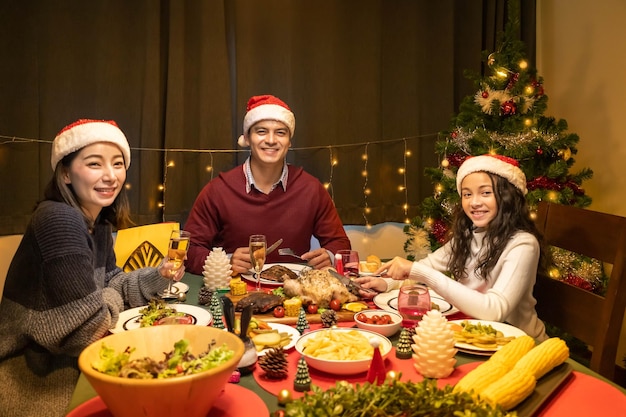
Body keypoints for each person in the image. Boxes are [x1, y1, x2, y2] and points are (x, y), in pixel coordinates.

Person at [0, 119, 185, 416]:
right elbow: (86, 329)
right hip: (35, 376)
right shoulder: (58, 220)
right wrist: (106, 298)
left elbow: (112, 281)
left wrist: (158, 275)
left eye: (118, 164)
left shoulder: (97, 225)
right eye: (94, 164)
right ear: (65, 173)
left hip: (74, 361)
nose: (111, 176)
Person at [356, 154, 548, 341]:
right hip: (472, 335)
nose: (474, 202)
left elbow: (494, 310)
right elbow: (426, 267)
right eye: (467, 194)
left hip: (521, 344)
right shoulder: (468, 235)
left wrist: (419, 272)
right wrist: (387, 283)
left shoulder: (523, 244)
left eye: (486, 192)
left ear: (507, 196)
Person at [185, 95, 351, 275]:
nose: (271, 140)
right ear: (247, 138)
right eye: (261, 131)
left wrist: (330, 256)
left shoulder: (311, 189)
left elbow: (340, 244)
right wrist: (225, 262)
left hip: (293, 296)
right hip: (236, 294)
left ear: (289, 142)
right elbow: (190, 250)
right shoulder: (218, 190)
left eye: (280, 132)